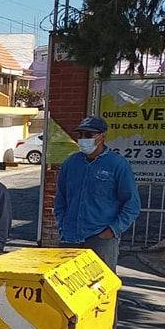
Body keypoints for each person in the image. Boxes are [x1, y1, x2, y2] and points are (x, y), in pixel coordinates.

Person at [54, 116, 142, 272]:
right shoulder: (70, 163)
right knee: (66, 288)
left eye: (88, 135)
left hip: (100, 238)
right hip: (70, 238)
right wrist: (62, 223)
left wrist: (112, 231)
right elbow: (61, 198)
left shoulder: (117, 164)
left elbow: (132, 203)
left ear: (103, 136)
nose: (83, 139)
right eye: (80, 135)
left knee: (100, 288)